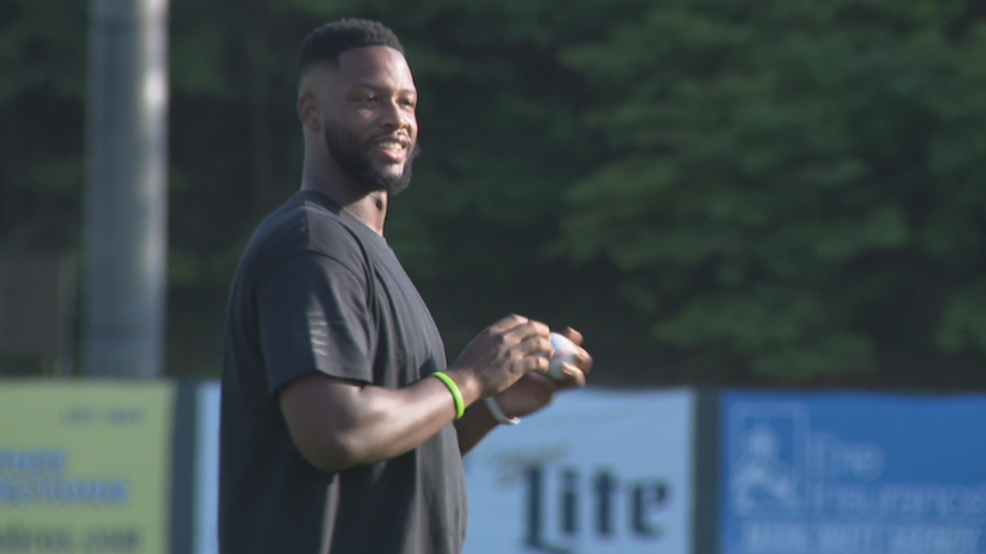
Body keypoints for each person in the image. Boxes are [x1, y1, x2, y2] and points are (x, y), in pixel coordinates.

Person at [218, 18, 592, 554]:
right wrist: (467, 379)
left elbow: (388, 457)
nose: (395, 118)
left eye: (407, 103)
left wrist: (486, 404)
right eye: (368, 99)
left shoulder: (363, 250)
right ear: (312, 111)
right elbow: (338, 434)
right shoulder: (311, 245)